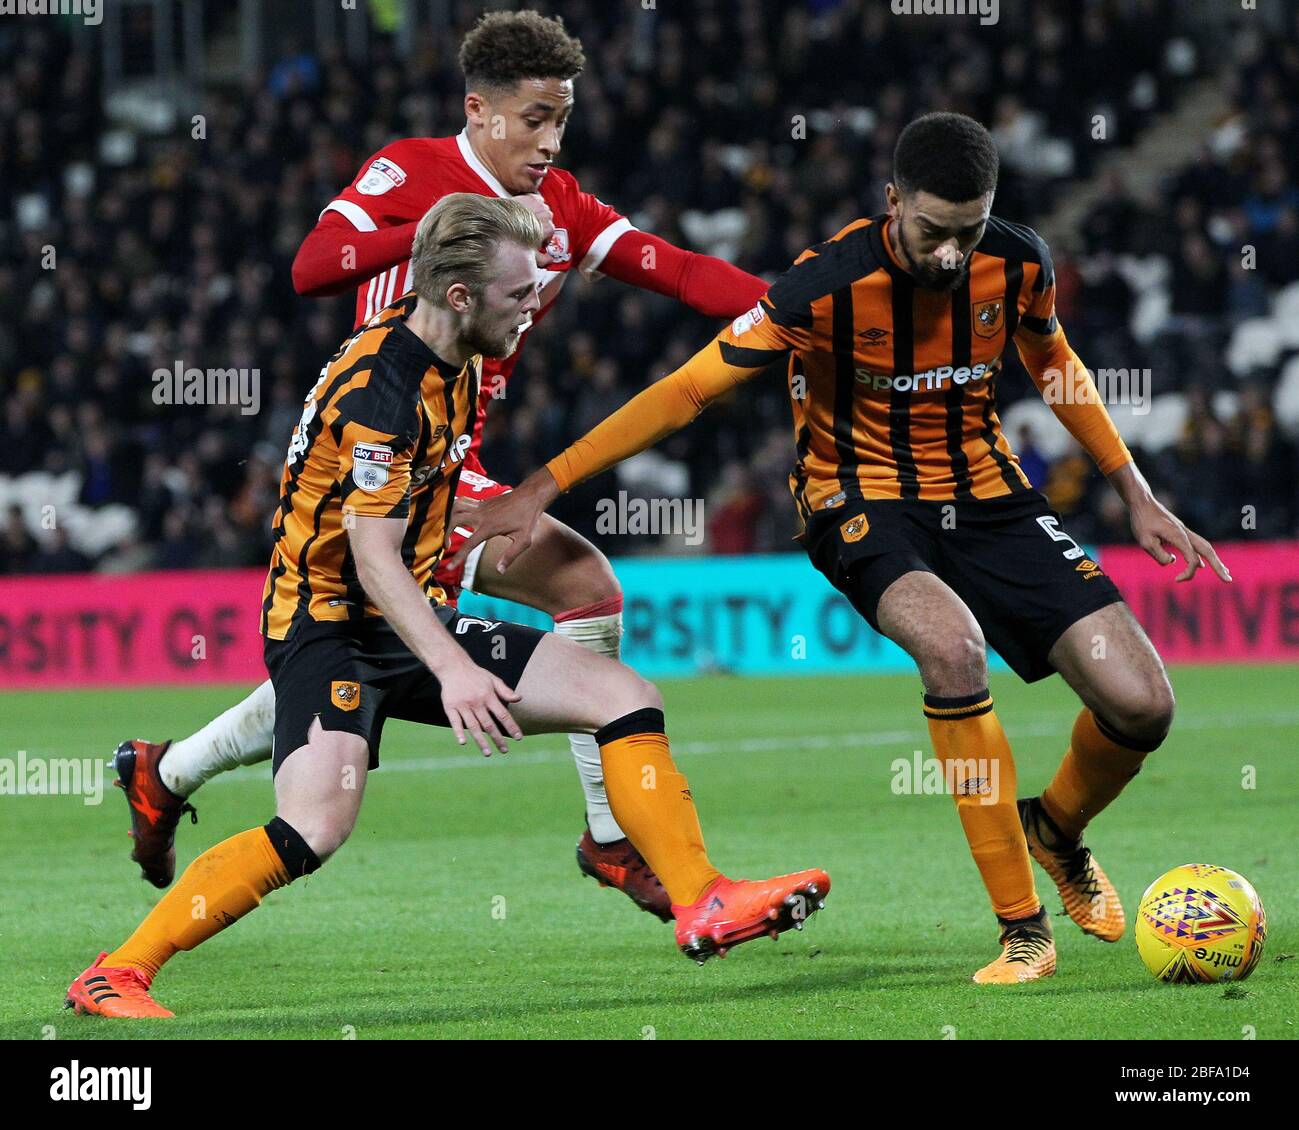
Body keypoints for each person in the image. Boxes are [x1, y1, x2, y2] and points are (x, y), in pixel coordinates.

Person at [450, 114, 1232, 985]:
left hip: (988, 495)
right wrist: (545, 483)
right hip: (857, 501)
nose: (949, 253)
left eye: (968, 230)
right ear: (893, 202)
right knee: (951, 646)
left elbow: (1054, 363)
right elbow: (686, 392)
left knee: (1142, 706)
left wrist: (1134, 489)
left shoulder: (1017, 260)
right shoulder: (821, 286)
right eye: (933, 230)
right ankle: (1021, 927)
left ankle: (1053, 830)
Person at [66, 195, 829, 1018]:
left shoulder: (446, 340)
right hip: (333, 628)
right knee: (314, 830)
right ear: (460, 295)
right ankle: (118, 971)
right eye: (517, 293)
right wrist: (453, 664)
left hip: (409, 609)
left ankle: (701, 898)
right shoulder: (387, 397)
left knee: (626, 696)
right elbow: (370, 555)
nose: (534, 304)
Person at [111, 11, 770, 921]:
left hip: (450, 456)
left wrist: (801, 309)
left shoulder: (564, 208)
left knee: (371, 657)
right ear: (481, 112)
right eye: (535, 118)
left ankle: (164, 770)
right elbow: (312, 267)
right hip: (381, 451)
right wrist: (447, 227)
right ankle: (612, 840)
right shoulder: (414, 170)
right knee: (569, 584)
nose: (551, 141)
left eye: (563, 119)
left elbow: (687, 273)